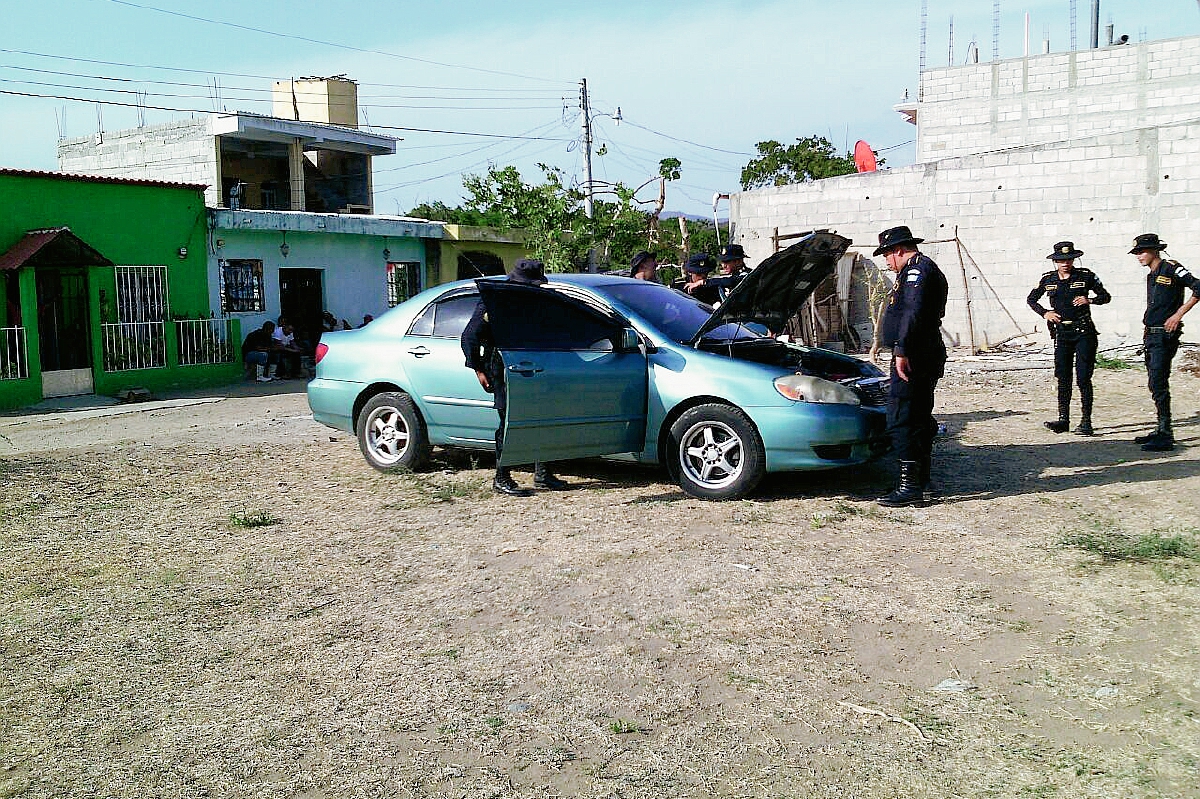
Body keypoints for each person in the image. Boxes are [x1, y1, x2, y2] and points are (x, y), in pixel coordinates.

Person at [460, 259, 570, 496]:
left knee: (543, 420)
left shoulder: (534, 301)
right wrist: (478, 369)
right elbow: (469, 336)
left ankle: (542, 473)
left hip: (537, 368)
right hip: (505, 369)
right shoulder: (495, 302)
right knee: (509, 424)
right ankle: (501, 477)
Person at [874, 226, 948, 507]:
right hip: (922, 351)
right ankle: (922, 483)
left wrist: (902, 349)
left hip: (916, 354)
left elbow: (913, 311)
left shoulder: (917, 270)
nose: (887, 262)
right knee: (918, 418)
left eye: (888, 256)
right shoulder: (915, 270)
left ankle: (909, 486)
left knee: (901, 417)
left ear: (899, 250)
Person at [1027, 241, 1111, 435]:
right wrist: (1045, 313)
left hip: (1084, 332)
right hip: (1062, 334)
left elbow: (1105, 296)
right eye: (1061, 260)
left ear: (1074, 259)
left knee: (1083, 377)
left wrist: (1089, 300)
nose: (1065, 263)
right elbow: (1031, 299)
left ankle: (1086, 421)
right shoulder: (1047, 279)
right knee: (1063, 377)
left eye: (1069, 259)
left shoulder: (1085, 276)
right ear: (1055, 261)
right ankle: (1063, 419)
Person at [1129, 233, 1200, 452]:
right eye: (1137, 253)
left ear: (1154, 250)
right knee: (1154, 381)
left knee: (1159, 381)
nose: (1139, 256)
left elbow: (1198, 287)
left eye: (1142, 252)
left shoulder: (1171, 268)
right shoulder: (1153, 274)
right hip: (1152, 334)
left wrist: (1178, 315)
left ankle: (1166, 434)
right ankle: (1161, 429)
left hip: (1164, 335)